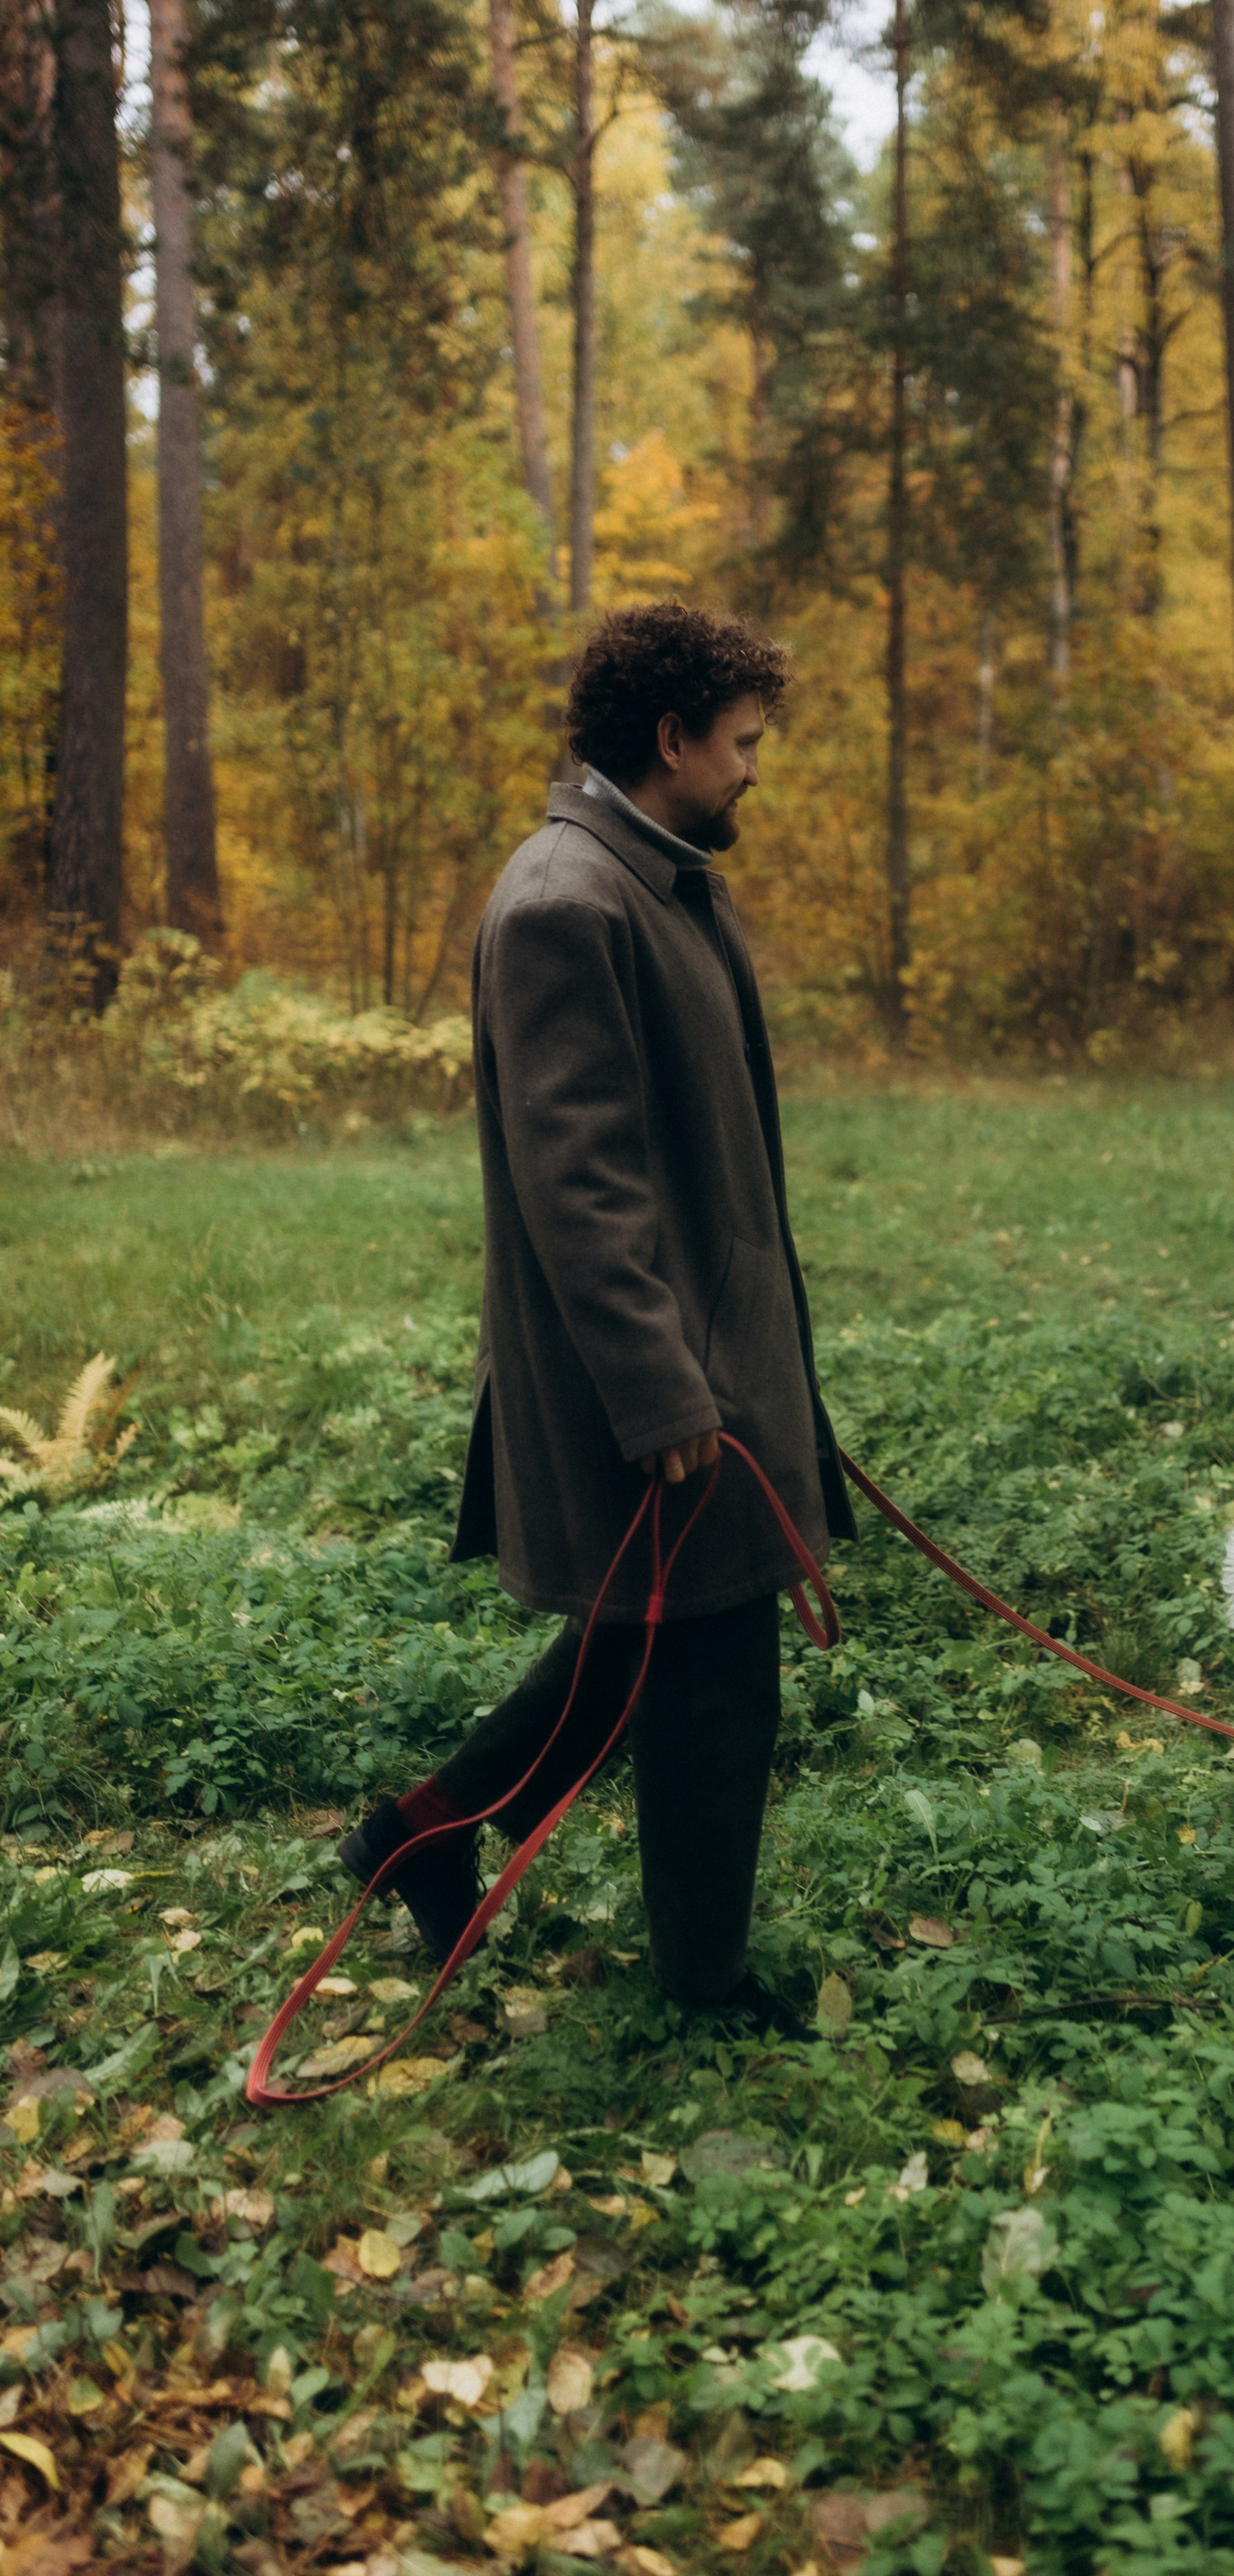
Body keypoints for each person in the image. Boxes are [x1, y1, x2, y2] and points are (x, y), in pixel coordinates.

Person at [336, 602, 853, 2024]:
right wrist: (665, 1392)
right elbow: (584, 1187)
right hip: (655, 1381)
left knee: (645, 1643)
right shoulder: (569, 901)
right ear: (671, 737)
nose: (756, 768)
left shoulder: (666, 872)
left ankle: (419, 1842)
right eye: (742, 742)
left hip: (711, 1348)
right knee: (713, 1676)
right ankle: (703, 1993)